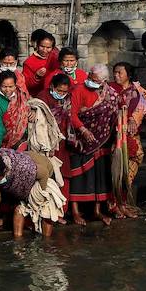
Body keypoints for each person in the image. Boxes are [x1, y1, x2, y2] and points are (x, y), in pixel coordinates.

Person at [63, 64, 119, 227]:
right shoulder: (78, 90)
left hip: (102, 140)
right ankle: (75, 211)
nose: (90, 82)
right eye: (90, 78)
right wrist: (83, 130)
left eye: (95, 80)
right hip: (80, 141)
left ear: (103, 81)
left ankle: (97, 210)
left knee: (99, 175)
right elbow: (71, 113)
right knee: (78, 175)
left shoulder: (110, 94)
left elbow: (114, 114)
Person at [110, 62, 146, 218]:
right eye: (114, 72)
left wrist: (145, 118)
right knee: (117, 168)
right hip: (116, 135)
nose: (116, 75)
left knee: (135, 160)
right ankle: (115, 204)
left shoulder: (139, 92)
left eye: (120, 72)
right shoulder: (109, 90)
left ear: (128, 74)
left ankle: (123, 203)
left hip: (132, 135)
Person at [0, 69, 29, 151]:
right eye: (4, 87)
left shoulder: (21, 94)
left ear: (15, 85)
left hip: (24, 139)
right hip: (4, 141)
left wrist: (32, 112)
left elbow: (27, 107)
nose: (8, 90)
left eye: (11, 87)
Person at [22, 30, 59, 99]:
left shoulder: (55, 58)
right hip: (37, 97)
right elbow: (25, 84)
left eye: (48, 48)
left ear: (53, 48)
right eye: (42, 46)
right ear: (37, 45)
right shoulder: (29, 62)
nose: (44, 50)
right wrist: (37, 77)